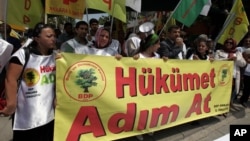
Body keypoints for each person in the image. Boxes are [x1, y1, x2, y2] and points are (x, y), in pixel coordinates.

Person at [0, 22, 57, 141]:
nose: (53, 39)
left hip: (49, 113)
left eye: (54, 36)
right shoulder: (23, 54)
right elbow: (11, 78)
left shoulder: (55, 56)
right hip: (27, 112)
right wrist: (11, 103)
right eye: (48, 36)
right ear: (37, 38)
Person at [214, 38, 246, 109]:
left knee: (231, 91)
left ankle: (229, 104)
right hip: (222, 76)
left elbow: (243, 64)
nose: (228, 44)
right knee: (221, 92)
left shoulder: (237, 53)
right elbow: (215, 62)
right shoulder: (219, 51)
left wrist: (236, 59)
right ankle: (219, 107)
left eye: (231, 43)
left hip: (233, 76)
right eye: (227, 42)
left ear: (233, 44)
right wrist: (227, 60)